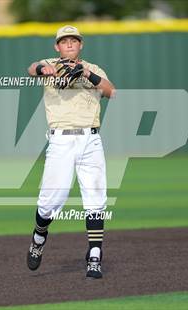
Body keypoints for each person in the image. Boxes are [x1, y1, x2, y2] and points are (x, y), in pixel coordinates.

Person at [26, 25, 115, 279]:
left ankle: (95, 256)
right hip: (61, 141)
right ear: (57, 46)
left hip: (91, 139)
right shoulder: (50, 64)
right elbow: (32, 68)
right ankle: (38, 236)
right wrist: (43, 69)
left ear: (80, 45)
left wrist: (87, 73)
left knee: (96, 198)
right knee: (50, 202)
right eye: (64, 41)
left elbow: (112, 92)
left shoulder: (93, 69)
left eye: (73, 41)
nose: (69, 44)